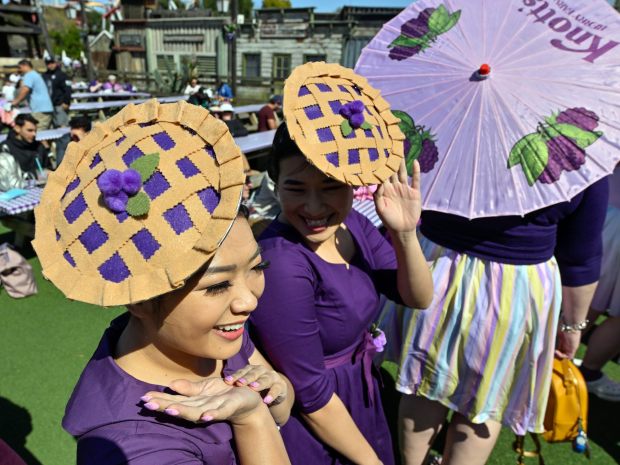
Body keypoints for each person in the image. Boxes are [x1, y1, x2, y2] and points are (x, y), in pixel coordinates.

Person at [32, 100, 293, 465]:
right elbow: (268, 416)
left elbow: (279, 401)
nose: (248, 300)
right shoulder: (134, 446)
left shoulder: (209, 332)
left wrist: (277, 394)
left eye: (256, 265)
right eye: (217, 285)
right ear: (139, 298)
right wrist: (252, 418)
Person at [249, 62, 433, 465]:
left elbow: (417, 296)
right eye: (295, 188)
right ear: (275, 184)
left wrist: (404, 233)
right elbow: (310, 391)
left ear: (352, 184)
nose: (314, 208)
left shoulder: (351, 225)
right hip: (316, 421)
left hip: (358, 394)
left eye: (331, 187)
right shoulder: (282, 263)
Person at [392, 177, 609, 464]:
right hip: (516, 288)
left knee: (424, 384)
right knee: (486, 401)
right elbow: (581, 256)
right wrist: (573, 326)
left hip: (436, 268)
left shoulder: (449, 131)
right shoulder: (573, 144)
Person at [578, 165, 620, 401]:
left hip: (603, 212)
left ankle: (552, 358)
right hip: (609, 217)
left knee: (588, 295)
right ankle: (588, 372)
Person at [11, 59, 54, 130]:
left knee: (38, 134)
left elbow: (25, 90)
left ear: (25, 66)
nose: (19, 70)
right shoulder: (34, 74)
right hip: (45, 108)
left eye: (20, 67)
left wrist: (16, 101)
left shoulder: (29, 75)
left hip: (40, 110)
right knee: (46, 135)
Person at [43, 57, 72, 127]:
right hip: (48, 106)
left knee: (62, 126)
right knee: (51, 127)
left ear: (56, 63)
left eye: (52, 63)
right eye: (48, 64)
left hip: (59, 104)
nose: (51, 65)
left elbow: (68, 89)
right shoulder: (44, 76)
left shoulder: (62, 75)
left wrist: (66, 102)